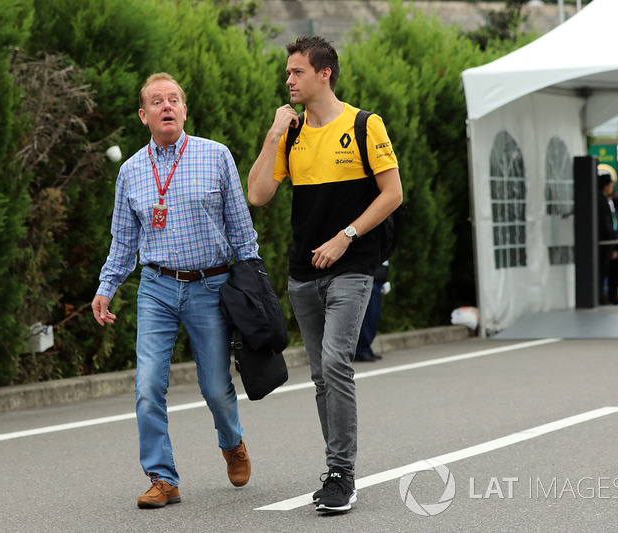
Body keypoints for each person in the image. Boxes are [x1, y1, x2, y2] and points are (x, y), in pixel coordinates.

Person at [248, 35, 403, 513]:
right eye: (288, 72)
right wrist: (274, 134)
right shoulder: (291, 133)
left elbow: (392, 193)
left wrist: (347, 236)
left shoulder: (363, 124)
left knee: (336, 363)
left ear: (323, 74)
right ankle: (337, 468)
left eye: (296, 71)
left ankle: (342, 475)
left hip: (352, 266)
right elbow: (258, 195)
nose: (288, 79)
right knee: (320, 375)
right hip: (303, 273)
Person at [91, 72, 259, 509]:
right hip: (157, 288)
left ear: (184, 110)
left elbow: (242, 230)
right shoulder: (130, 171)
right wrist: (106, 287)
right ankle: (162, 478)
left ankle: (232, 442)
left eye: (174, 99)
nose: (167, 106)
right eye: (157, 101)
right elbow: (124, 242)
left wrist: (256, 281)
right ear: (143, 115)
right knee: (147, 385)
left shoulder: (216, 156)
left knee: (216, 388)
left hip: (210, 285)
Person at [354, 260, 390, 362]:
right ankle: (361, 350)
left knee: (373, 317)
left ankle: (366, 348)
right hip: (369, 278)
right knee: (368, 316)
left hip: (378, 278)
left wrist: (384, 279)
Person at [597, 171, 618, 304]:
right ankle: (600, 299)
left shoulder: (603, 200)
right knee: (601, 274)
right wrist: (613, 237)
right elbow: (605, 224)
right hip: (603, 244)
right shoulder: (601, 200)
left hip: (605, 243)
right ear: (606, 185)